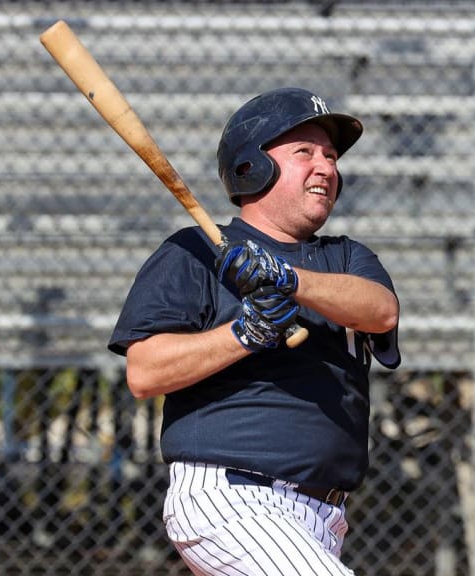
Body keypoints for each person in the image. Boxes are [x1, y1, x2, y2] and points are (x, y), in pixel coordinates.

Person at [108, 87, 401, 575]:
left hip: (324, 517)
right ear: (252, 167)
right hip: (230, 497)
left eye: (331, 156)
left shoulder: (346, 258)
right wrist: (246, 331)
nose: (326, 168)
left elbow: (381, 311)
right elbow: (144, 372)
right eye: (304, 152)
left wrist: (287, 280)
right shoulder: (195, 252)